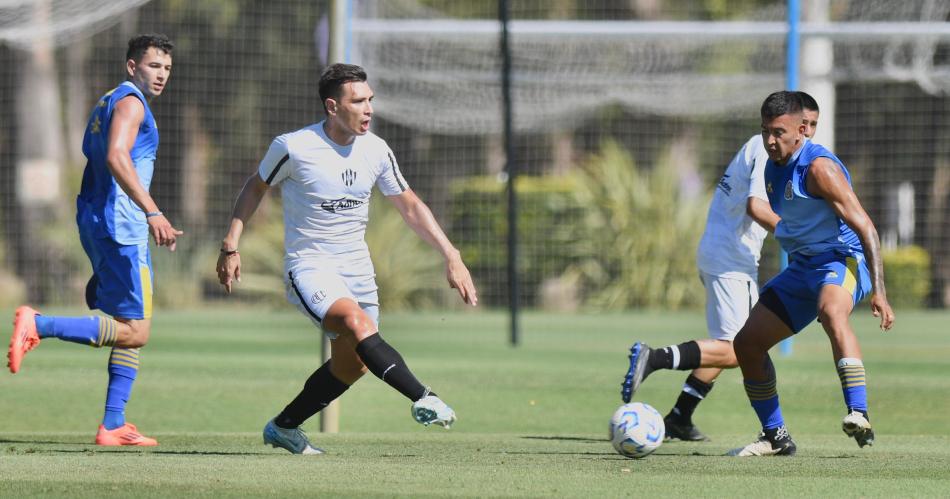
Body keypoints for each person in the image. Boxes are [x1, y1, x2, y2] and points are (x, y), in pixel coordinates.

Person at [215, 63, 478, 454]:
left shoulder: (376, 149)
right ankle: (424, 396)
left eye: (371, 100)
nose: (368, 108)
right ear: (333, 107)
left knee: (351, 365)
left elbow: (409, 205)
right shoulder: (293, 146)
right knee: (356, 324)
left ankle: (284, 426)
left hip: (357, 269)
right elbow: (255, 187)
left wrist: (451, 254)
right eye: (359, 101)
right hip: (309, 267)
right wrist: (231, 243)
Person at [7, 34, 182, 447]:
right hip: (123, 224)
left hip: (99, 218)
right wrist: (152, 211)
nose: (161, 75)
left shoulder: (107, 101)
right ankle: (39, 324)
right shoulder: (132, 103)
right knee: (136, 331)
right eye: (154, 66)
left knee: (128, 323)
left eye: (167, 69)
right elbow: (116, 156)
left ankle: (113, 424)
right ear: (132, 66)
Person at [620, 92, 820, 442]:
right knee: (741, 347)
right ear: (792, 124)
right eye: (808, 124)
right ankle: (655, 358)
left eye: (815, 126)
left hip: (722, 253)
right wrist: (798, 237)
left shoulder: (778, 151)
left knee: (728, 343)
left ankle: (680, 416)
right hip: (731, 258)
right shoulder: (765, 149)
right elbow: (755, 207)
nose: (810, 132)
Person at [726, 90, 894, 457]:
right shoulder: (773, 166)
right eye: (766, 131)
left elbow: (866, 227)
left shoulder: (820, 169)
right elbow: (791, 221)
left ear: (802, 130)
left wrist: (879, 291)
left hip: (840, 259)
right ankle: (775, 436)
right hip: (803, 266)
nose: (770, 140)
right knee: (746, 345)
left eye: (779, 132)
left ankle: (858, 412)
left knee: (831, 311)